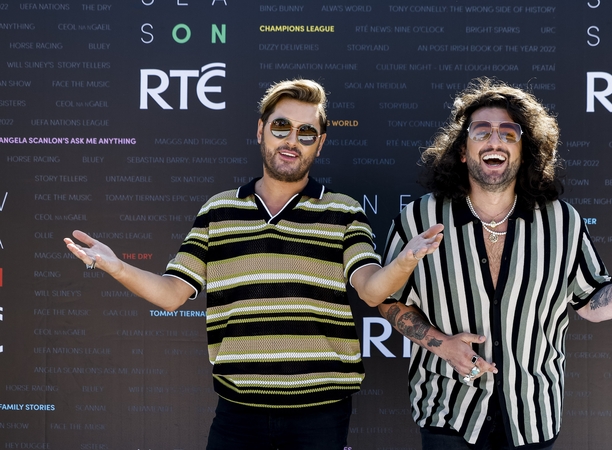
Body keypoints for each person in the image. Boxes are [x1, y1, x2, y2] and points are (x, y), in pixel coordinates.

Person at [64, 78, 443, 450]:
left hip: (320, 415)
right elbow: (172, 294)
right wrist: (116, 267)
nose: (292, 140)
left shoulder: (342, 211)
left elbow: (370, 289)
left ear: (320, 143)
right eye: (282, 126)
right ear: (261, 130)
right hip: (237, 413)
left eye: (306, 132)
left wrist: (405, 261)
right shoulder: (219, 210)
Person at [378, 77, 612, 450]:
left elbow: (590, 303)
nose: (494, 141)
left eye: (508, 134)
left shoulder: (563, 222)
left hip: (532, 414)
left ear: (525, 151)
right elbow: (386, 298)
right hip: (448, 410)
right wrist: (442, 345)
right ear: (463, 151)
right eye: (481, 132)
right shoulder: (419, 219)